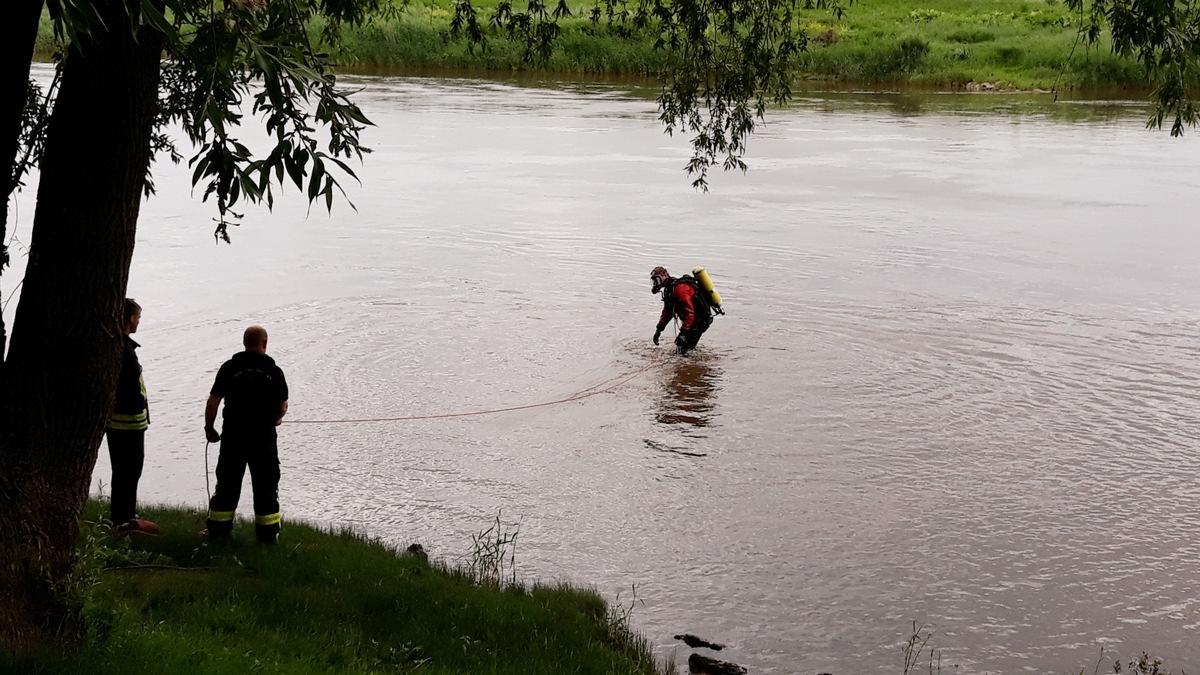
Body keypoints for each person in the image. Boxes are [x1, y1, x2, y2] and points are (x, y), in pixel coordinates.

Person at [203, 325, 289, 544]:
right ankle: (267, 536)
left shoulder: (229, 368)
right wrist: (276, 419)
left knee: (227, 484)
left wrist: (209, 428)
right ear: (265, 344)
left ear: (244, 343)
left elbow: (213, 402)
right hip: (263, 438)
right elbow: (282, 406)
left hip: (233, 436)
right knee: (266, 485)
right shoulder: (274, 371)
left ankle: (219, 532)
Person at [106, 298, 158, 535]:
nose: (138, 322)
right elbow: (130, 387)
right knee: (130, 471)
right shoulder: (125, 352)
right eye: (137, 318)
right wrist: (138, 406)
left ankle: (122, 516)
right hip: (130, 424)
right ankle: (124, 520)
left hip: (117, 423)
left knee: (121, 471)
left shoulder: (114, 346)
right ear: (129, 319)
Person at [650, 266, 713, 355]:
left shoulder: (680, 289)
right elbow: (667, 312)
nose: (655, 283)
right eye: (654, 281)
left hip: (700, 320)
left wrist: (683, 333)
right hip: (692, 320)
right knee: (681, 349)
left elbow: (690, 313)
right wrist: (659, 329)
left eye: (657, 280)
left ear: (665, 276)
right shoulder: (669, 290)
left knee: (685, 352)